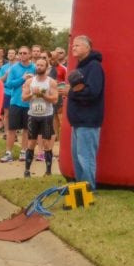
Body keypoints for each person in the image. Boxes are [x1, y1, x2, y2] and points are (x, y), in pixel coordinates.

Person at [61, 35, 105, 189]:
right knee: (77, 158)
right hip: (78, 121)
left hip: (88, 121)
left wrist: (70, 92)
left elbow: (93, 92)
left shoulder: (94, 67)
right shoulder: (81, 67)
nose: (73, 48)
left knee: (85, 158)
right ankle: (80, 189)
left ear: (88, 48)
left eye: (78, 45)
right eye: (73, 45)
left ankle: (88, 188)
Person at [21, 58, 58, 177]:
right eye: (37, 65)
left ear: (46, 67)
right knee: (31, 143)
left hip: (46, 115)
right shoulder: (29, 82)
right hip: (33, 115)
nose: (39, 67)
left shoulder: (51, 82)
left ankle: (48, 171)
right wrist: (33, 93)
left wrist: (43, 95)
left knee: (47, 143)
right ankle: (27, 171)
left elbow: (55, 99)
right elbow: (23, 98)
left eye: (42, 65)